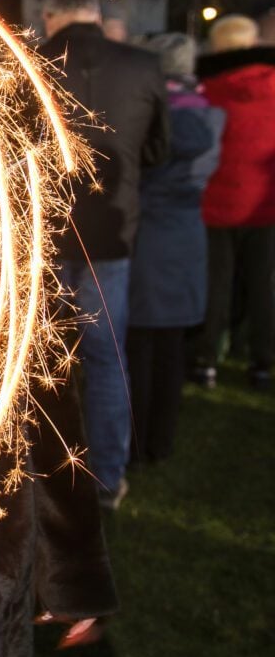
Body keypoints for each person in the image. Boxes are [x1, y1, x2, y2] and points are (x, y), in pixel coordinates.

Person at [37, 0, 168, 510]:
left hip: (46, 233)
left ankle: (42, 472)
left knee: (43, 356)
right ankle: (106, 478)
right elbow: (160, 146)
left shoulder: (31, 64)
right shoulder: (142, 66)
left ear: (50, 17)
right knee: (108, 359)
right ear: (94, 13)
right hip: (110, 234)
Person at [127, 33, 223, 461]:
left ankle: (135, 439)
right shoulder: (212, 119)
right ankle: (161, 443)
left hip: (149, 240)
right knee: (170, 346)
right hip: (187, 239)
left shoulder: (149, 121)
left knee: (139, 345)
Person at [191, 14, 275, 389]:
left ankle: (207, 359)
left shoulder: (208, 90)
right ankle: (261, 363)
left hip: (216, 204)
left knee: (216, 286)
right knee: (263, 287)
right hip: (265, 204)